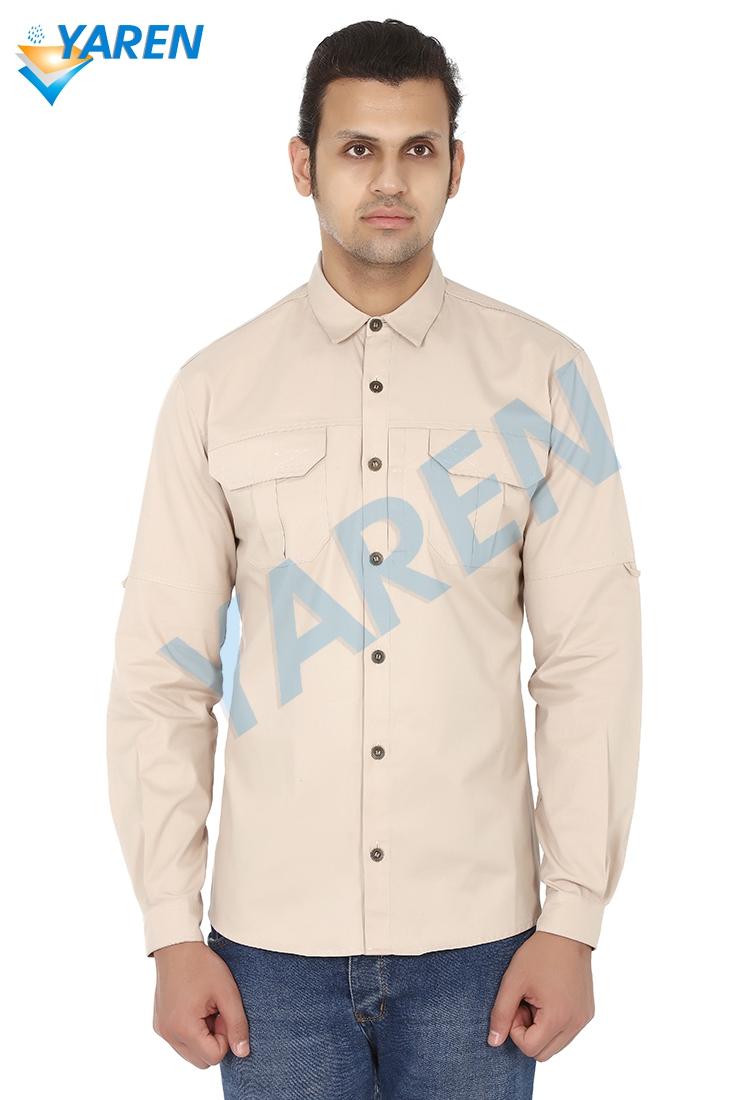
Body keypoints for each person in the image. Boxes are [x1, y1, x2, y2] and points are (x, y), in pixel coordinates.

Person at [106, 17, 642, 1100]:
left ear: (457, 166)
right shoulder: (214, 390)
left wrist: (574, 917)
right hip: (267, 957)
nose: (389, 180)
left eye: (417, 148)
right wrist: (170, 928)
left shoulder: (546, 378)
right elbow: (163, 673)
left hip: (485, 950)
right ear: (302, 164)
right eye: (357, 148)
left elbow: (590, 662)